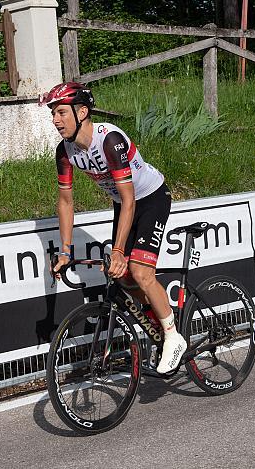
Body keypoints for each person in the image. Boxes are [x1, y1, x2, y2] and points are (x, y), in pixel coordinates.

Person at [41, 82, 187, 374]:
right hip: (123, 203)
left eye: (60, 112)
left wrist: (119, 250)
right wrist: (66, 251)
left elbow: (130, 198)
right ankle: (157, 322)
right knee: (121, 275)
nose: (55, 120)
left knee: (141, 271)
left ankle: (173, 336)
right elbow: (66, 202)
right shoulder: (65, 151)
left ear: (82, 112)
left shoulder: (110, 141)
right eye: (52, 114)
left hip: (150, 199)